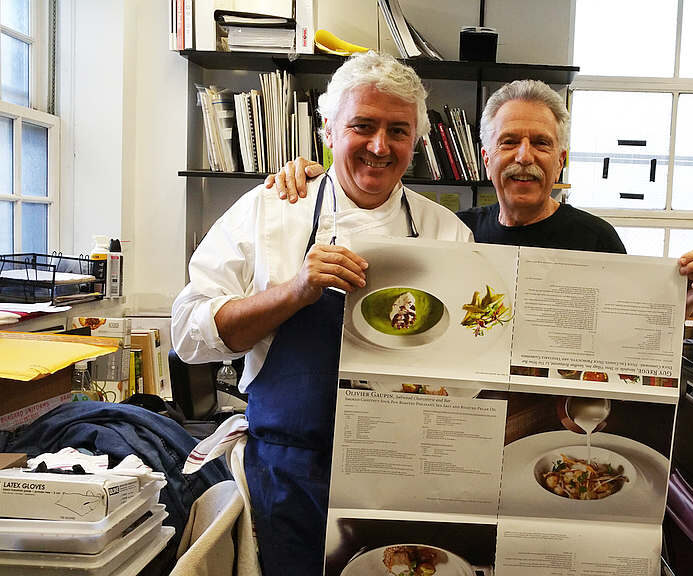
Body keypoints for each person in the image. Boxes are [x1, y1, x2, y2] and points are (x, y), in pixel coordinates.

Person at [171, 51, 472, 575]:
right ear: (328, 130)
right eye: (362, 126)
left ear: (416, 143)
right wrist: (294, 291)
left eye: (398, 131)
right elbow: (189, 336)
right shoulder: (268, 210)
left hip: (408, 478)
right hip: (291, 476)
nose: (379, 147)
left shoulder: (449, 233)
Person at [268, 80, 693, 316]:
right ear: (485, 159)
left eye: (541, 144)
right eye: (509, 143)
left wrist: (678, 307)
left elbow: (624, 335)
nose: (525, 157)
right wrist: (319, 175)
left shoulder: (598, 240)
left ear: (560, 160)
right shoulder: (453, 232)